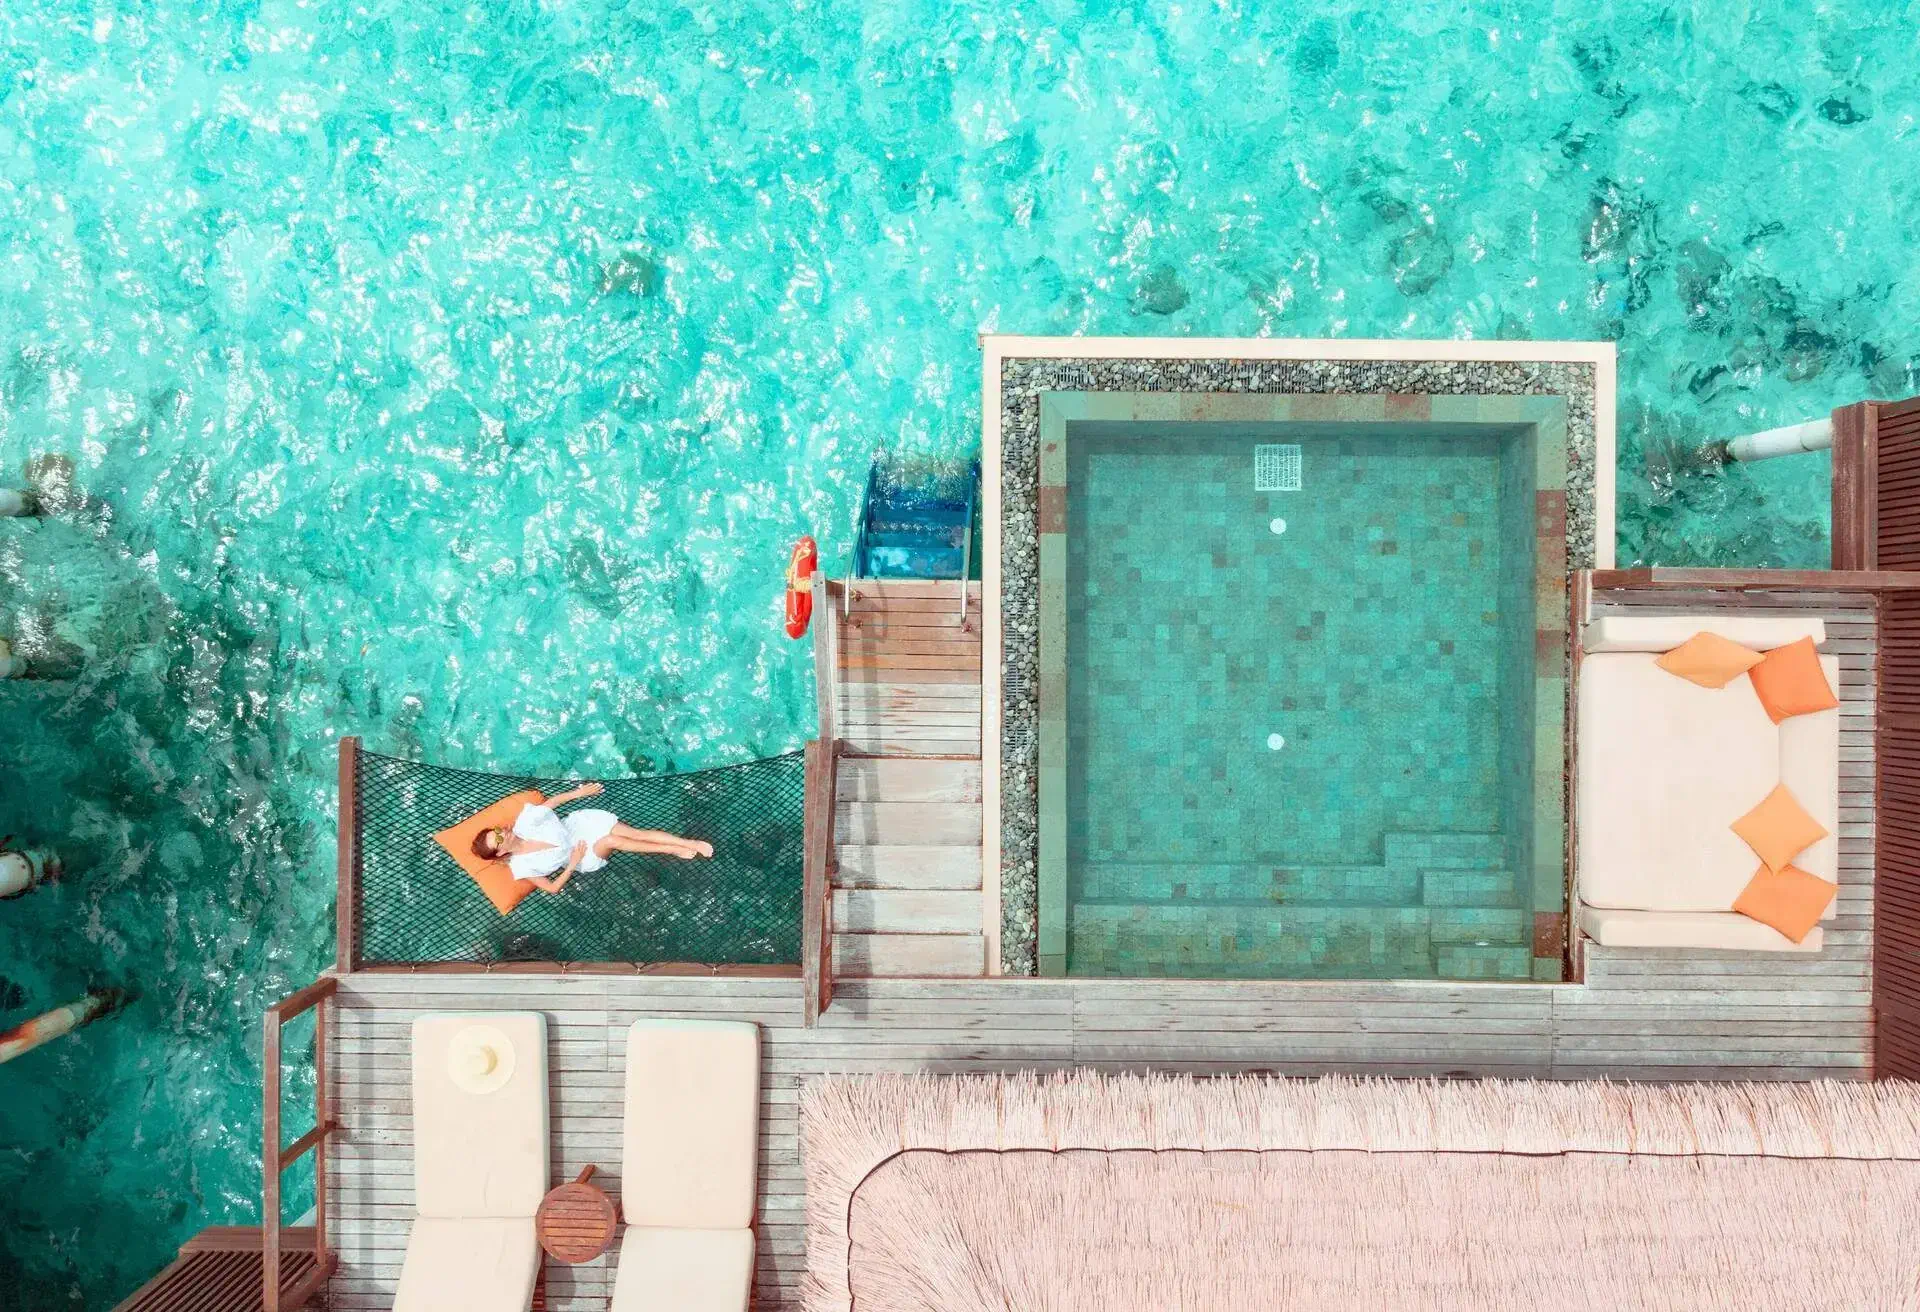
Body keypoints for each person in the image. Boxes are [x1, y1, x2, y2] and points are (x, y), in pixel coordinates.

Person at [470, 782, 714, 894]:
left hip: (578, 826)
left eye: (498, 831)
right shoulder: (522, 867)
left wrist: (579, 793)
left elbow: (552, 803)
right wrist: (574, 863)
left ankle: (686, 843)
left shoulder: (525, 823)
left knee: (634, 833)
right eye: (499, 840)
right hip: (581, 855)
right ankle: (671, 850)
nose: (504, 833)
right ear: (501, 852)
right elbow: (553, 888)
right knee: (612, 841)